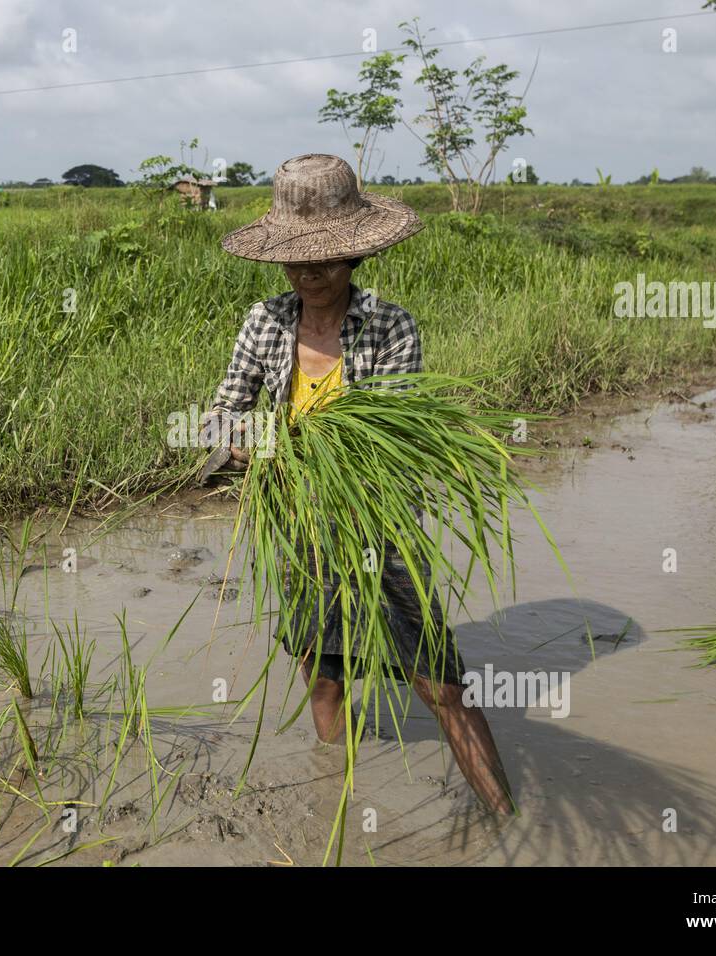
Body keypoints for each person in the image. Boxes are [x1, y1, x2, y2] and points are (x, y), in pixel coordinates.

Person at [205, 153, 515, 815]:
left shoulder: (391, 325)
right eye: (295, 261)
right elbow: (220, 415)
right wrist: (252, 445)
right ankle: (336, 814)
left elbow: (400, 432)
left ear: (355, 258)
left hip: (381, 532)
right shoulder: (264, 324)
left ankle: (504, 816)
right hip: (300, 528)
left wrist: (323, 452)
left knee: (441, 685)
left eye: (326, 260)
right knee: (325, 679)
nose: (310, 274)